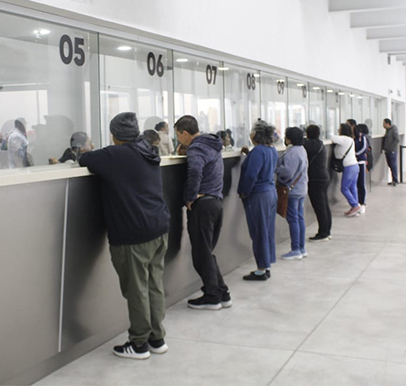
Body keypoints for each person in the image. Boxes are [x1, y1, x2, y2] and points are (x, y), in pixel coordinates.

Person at [79, 112, 170, 360]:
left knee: (136, 289)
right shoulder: (149, 151)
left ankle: (139, 343)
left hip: (133, 232)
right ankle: (157, 338)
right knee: (153, 285)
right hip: (159, 226)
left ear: (114, 135)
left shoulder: (114, 155)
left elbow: (85, 158)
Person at [174, 115, 231, 310]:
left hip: (202, 205)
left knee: (201, 255)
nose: (177, 139)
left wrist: (190, 197)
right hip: (215, 202)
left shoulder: (197, 148)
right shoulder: (211, 144)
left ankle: (212, 296)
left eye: (178, 135)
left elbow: (195, 171)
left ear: (185, 133)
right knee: (206, 252)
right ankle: (222, 293)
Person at [238, 120, 278, 281]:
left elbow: (251, 175)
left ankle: (261, 269)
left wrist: (243, 192)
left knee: (258, 231)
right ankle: (266, 264)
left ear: (255, 134)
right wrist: (249, 154)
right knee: (267, 230)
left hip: (258, 195)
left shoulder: (258, 152)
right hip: (270, 193)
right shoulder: (271, 150)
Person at [276, 127, 309, 260]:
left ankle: (295, 249)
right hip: (300, 188)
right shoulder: (301, 150)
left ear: (289, 139)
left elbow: (288, 173)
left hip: (292, 190)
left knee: (293, 219)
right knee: (299, 218)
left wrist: (277, 169)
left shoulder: (292, 152)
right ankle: (301, 248)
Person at [305, 125, 332, 242]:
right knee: (324, 206)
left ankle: (323, 233)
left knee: (320, 207)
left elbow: (298, 142)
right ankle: (326, 231)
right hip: (323, 177)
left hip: (315, 179)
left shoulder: (310, 145)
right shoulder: (319, 143)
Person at [331, 123, 361, 217]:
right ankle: (355, 206)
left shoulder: (344, 139)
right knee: (352, 187)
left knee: (344, 188)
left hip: (349, 166)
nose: (338, 130)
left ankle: (355, 206)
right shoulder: (350, 139)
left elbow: (332, 138)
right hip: (354, 165)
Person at [355, 123, 370, 210]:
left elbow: (364, 148)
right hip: (354, 162)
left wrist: (356, 154)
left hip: (361, 161)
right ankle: (357, 201)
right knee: (356, 183)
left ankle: (362, 201)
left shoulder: (363, 137)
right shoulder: (353, 138)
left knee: (361, 182)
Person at [382, 118, 400, 186]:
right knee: (390, 165)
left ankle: (395, 180)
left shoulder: (394, 129)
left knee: (393, 165)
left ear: (388, 123)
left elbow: (397, 139)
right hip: (387, 151)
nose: (383, 125)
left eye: (384, 123)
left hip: (392, 151)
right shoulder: (387, 130)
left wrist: (391, 147)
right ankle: (393, 180)